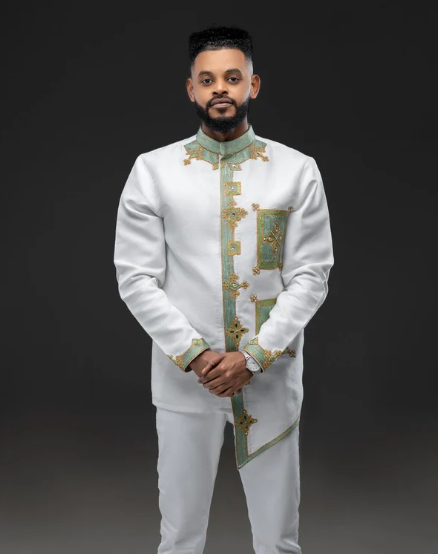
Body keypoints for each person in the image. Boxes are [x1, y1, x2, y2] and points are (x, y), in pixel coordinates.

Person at [113, 25, 334, 554]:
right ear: (191, 89)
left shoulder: (297, 170)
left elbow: (311, 276)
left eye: (232, 78)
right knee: (179, 538)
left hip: (271, 378)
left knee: (278, 540)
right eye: (208, 79)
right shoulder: (153, 171)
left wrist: (253, 357)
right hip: (185, 380)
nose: (220, 89)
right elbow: (136, 277)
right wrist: (194, 354)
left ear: (252, 85)